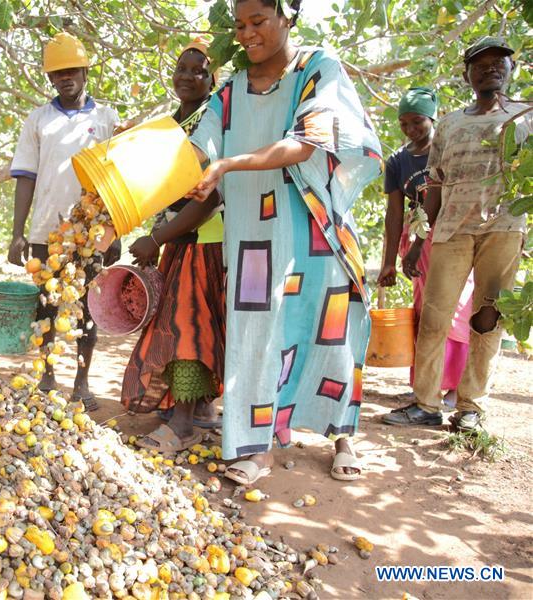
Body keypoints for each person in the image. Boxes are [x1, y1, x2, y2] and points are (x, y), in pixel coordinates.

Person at [187, 0, 381, 483]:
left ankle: (342, 435)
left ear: (287, 15)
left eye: (258, 22)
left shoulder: (318, 67)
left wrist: (228, 165)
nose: (247, 33)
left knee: (328, 333)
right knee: (256, 338)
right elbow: (199, 147)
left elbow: (306, 142)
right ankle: (258, 448)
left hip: (315, 233)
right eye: (240, 25)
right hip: (254, 238)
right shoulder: (230, 91)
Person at [382, 37, 529, 432]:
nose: (491, 69)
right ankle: (425, 404)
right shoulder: (450, 124)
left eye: (499, 62)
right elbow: (436, 185)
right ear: (467, 75)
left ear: (511, 70)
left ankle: (471, 409)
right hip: (451, 233)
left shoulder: (525, 118)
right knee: (434, 318)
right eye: (480, 64)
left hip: (503, 229)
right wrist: (418, 241)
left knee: (487, 318)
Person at [121, 38, 225, 454]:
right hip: (179, 239)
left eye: (199, 71)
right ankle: (197, 410)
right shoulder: (173, 124)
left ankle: (183, 425)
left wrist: (155, 238)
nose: (188, 76)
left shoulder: (210, 121)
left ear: (212, 79)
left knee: (187, 329)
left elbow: (210, 199)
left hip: (205, 237)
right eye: (182, 68)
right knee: (192, 326)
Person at [7, 32, 120, 410]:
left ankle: (82, 383)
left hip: (92, 234)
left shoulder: (106, 118)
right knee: (47, 308)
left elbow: (117, 179)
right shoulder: (38, 120)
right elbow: (26, 176)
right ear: (50, 79)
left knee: (89, 309)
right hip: (46, 232)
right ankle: (46, 378)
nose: (65, 77)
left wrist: (116, 231)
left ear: (85, 71)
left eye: (71, 70)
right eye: (57, 73)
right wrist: (17, 233)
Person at [377, 88, 473, 408]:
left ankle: (455, 386)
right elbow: (393, 212)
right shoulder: (397, 161)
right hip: (416, 238)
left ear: (432, 118)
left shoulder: (446, 150)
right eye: (404, 124)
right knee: (424, 311)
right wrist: (391, 260)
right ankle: (426, 384)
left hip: (451, 234)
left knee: (455, 310)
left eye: (417, 121)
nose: (411, 129)